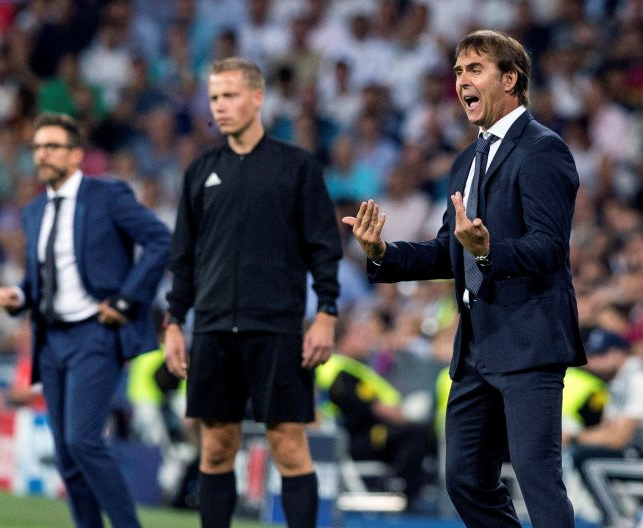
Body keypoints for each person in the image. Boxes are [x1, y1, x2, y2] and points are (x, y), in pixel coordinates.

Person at [344, 29, 585, 527]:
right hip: (476, 347)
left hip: (529, 342)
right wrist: (382, 254)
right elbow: (446, 252)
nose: (461, 81)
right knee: (465, 481)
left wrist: (490, 250)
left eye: (474, 69)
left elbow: (549, 247)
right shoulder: (466, 161)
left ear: (511, 78)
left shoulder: (544, 150)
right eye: (457, 71)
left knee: (537, 479)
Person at [163, 57, 343, 528]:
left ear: (257, 97)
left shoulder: (297, 166)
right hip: (215, 328)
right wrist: (174, 323)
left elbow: (324, 248)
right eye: (215, 97)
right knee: (217, 445)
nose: (219, 106)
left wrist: (326, 312)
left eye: (230, 96)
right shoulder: (200, 170)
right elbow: (183, 257)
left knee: (288, 443)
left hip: (278, 327)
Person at [0, 112, 171, 528]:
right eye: (38, 146)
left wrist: (128, 300)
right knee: (66, 454)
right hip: (51, 339)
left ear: (76, 155)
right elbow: (37, 278)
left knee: (83, 440)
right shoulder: (35, 210)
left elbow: (158, 240)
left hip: (96, 333)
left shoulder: (107, 195)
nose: (42, 153)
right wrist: (18, 295)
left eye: (52, 146)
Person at [315, 315, 434, 506]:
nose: (366, 338)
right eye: (359, 334)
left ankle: (405, 487)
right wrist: (408, 416)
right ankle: (394, 486)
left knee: (417, 433)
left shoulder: (358, 367)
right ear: (343, 339)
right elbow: (374, 408)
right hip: (353, 436)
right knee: (415, 433)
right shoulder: (341, 369)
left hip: (364, 432)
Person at [567, 328, 643, 526]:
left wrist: (572, 437)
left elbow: (618, 439)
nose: (593, 363)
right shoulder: (619, 382)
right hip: (639, 454)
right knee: (584, 455)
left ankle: (616, 522)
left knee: (589, 463)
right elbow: (608, 429)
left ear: (619, 353)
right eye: (592, 355)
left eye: (600, 355)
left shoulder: (639, 380)